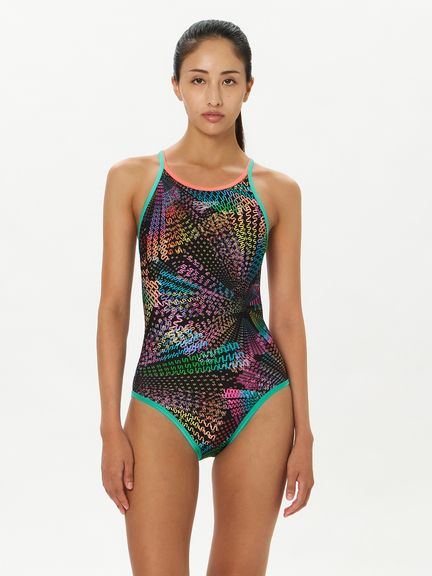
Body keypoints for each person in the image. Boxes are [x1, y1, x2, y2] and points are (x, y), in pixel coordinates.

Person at [97, 18, 314, 576]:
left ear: (248, 87)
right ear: (176, 86)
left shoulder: (276, 192)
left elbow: (288, 317)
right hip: (162, 396)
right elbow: (114, 310)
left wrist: (305, 434)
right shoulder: (134, 180)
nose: (213, 97)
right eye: (198, 80)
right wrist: (109, 427)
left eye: (228, 81)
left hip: (256, 394)